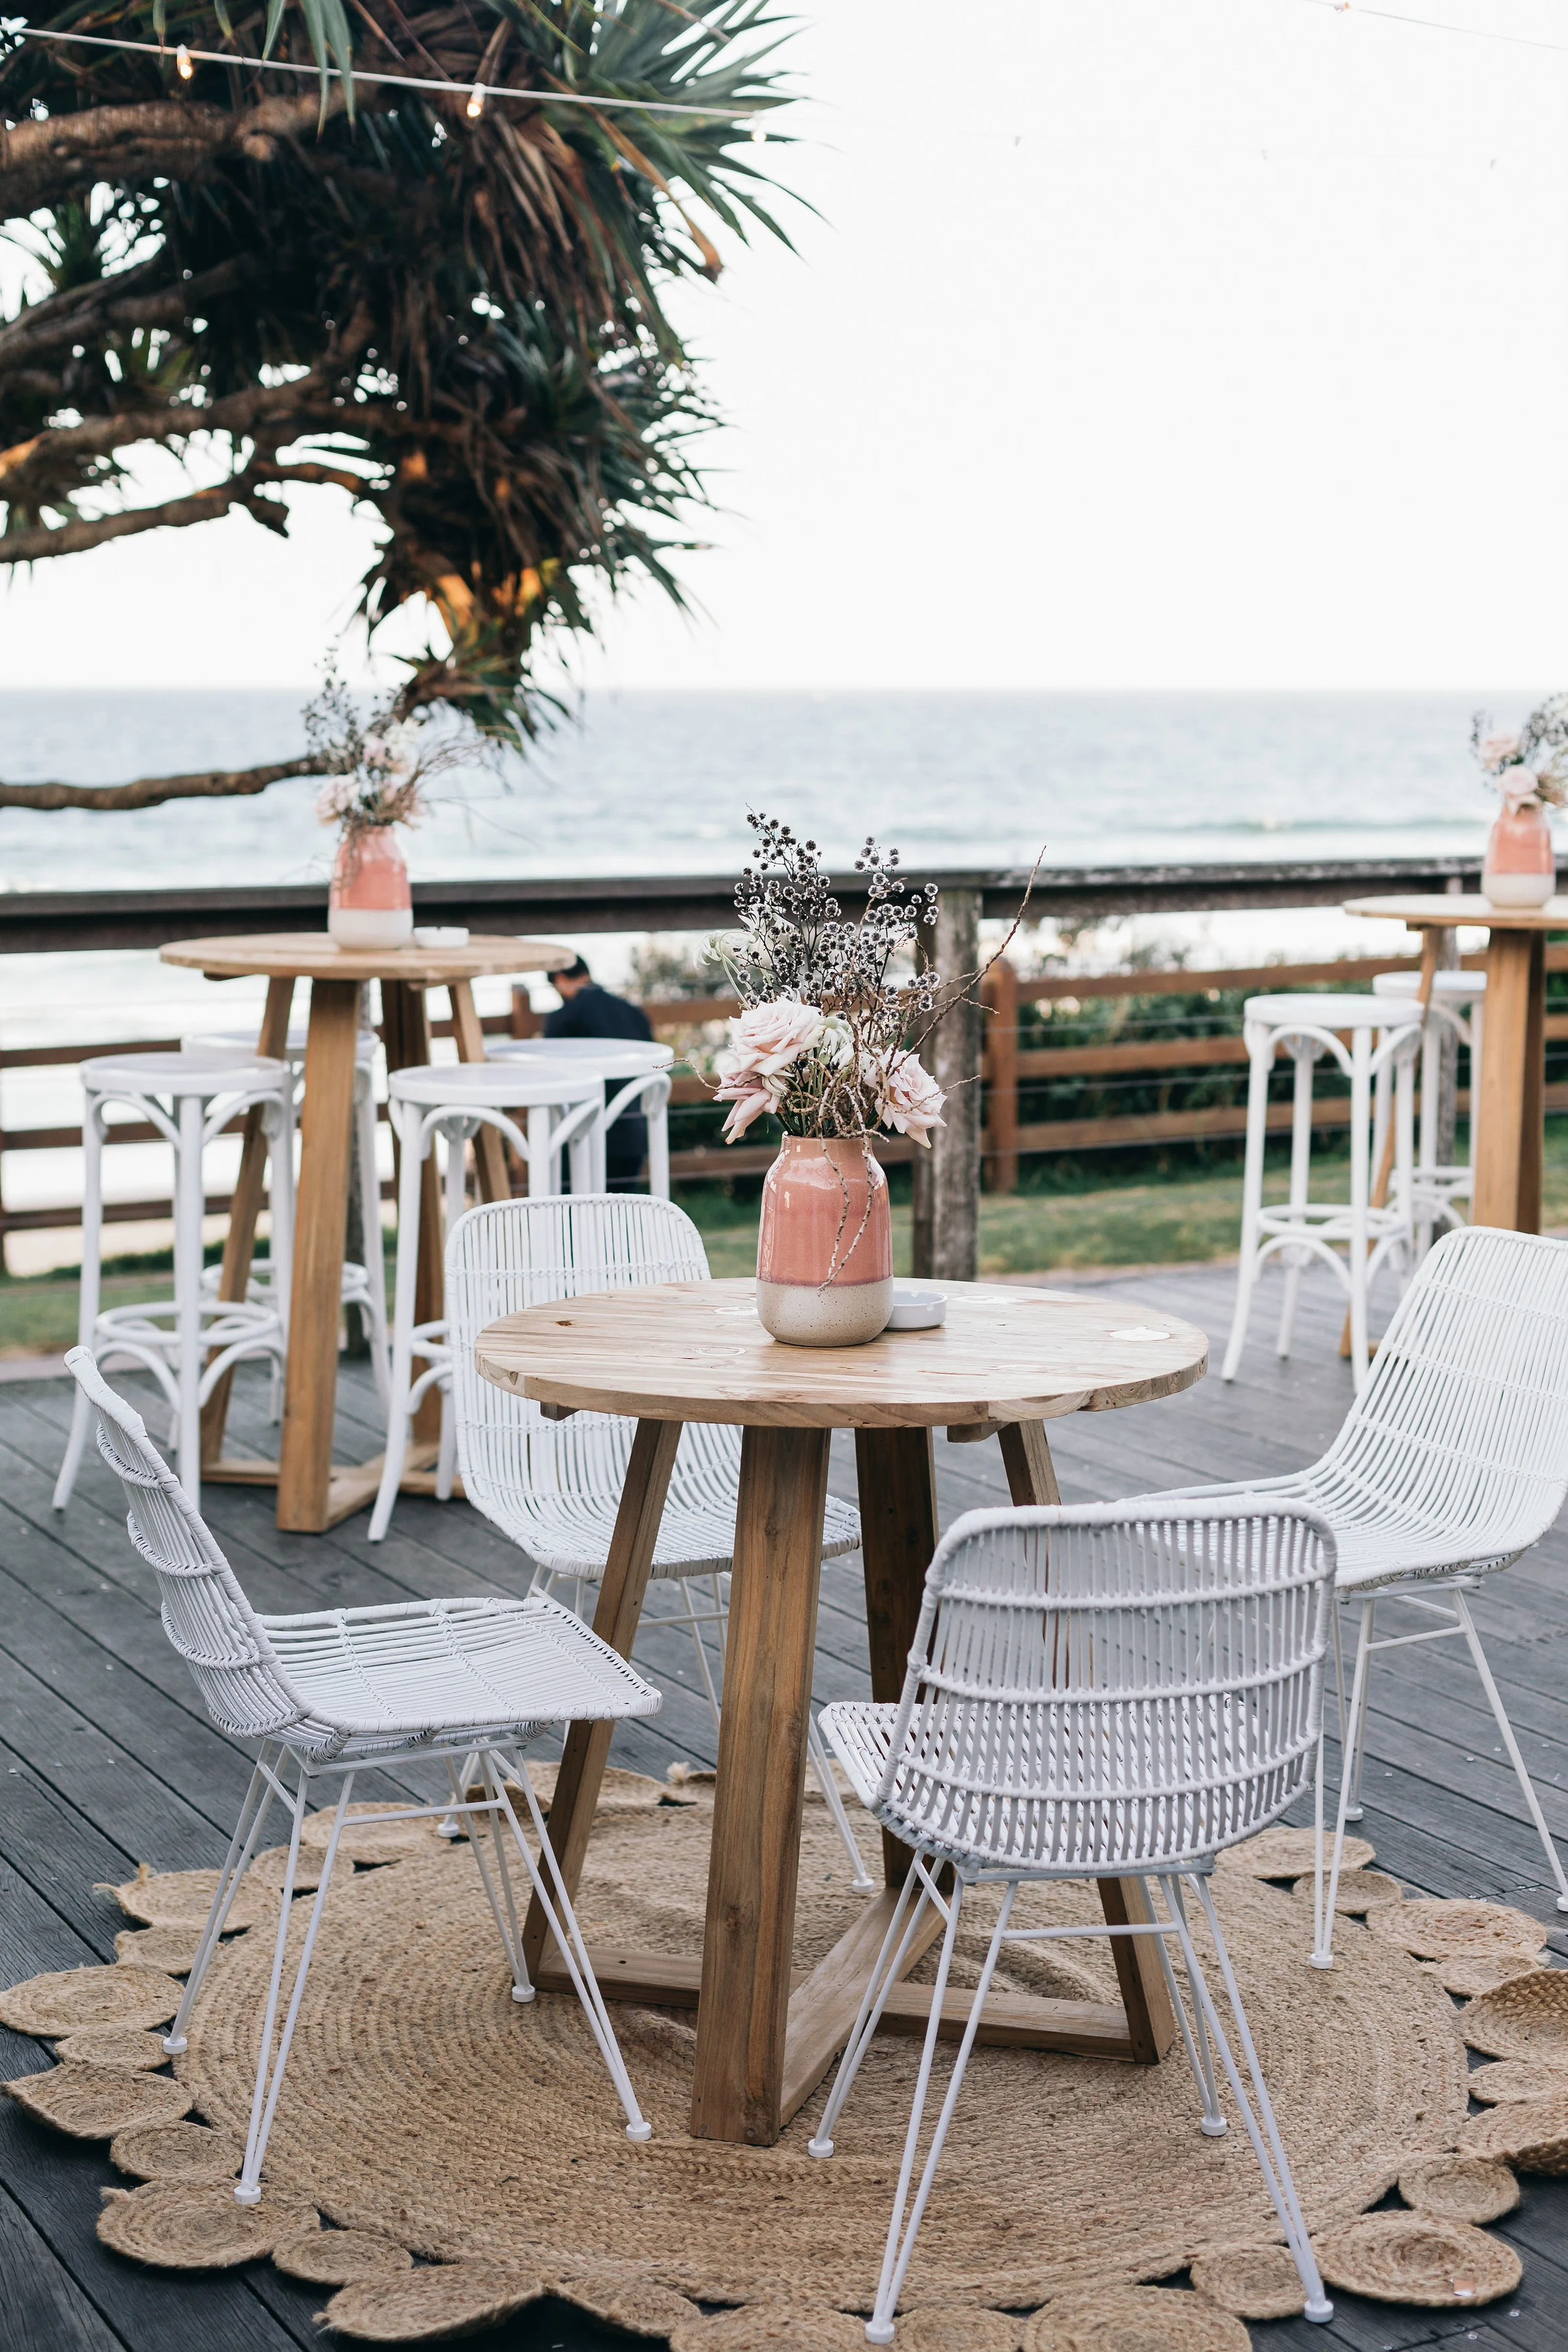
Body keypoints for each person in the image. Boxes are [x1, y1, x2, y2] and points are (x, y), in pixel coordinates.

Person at [543, 957, 656, 1188]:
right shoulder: (634, 1013)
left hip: (580, 1136)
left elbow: (551, 1077)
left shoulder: (563, 1019)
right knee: (619, 1214)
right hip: (633, 1135)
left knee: (573, 1216)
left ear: (560, 980)